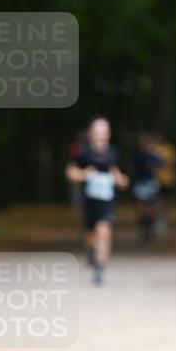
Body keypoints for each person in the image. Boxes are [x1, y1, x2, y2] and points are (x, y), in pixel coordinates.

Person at [65, 117, 129, 284]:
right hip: (89, 200)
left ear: (109, 134)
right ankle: (92, 251)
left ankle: (99, 269)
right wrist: (83, 174)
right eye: (97, 130)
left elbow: (116, 172)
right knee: (90, 234)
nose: (101, 134)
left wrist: (121, 180)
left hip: (107, 199)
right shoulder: (83, 152)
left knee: (104, 230)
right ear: (91, 134)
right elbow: (70, 172)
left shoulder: (113, 152)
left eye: (104, 130)